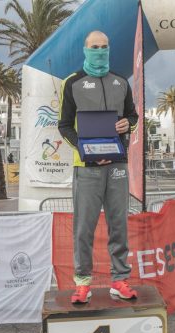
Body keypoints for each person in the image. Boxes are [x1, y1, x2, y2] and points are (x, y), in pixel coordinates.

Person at [58, 30, 139, 303]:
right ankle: (82, 283)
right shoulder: (73, 83)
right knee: (84, 227)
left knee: (119, 225)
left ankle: (120, 280)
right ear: (85, 49)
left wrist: (129, 123)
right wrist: (85, 149)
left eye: (104, 46)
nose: (100, 51)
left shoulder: (121, 81)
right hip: (87, 167)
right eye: (95, 47)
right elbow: (64, 125)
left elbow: (133, 116)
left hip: (117, 165)